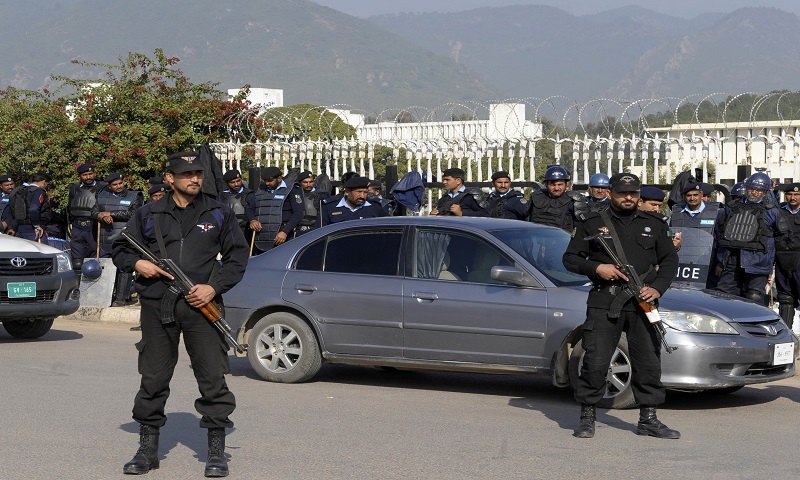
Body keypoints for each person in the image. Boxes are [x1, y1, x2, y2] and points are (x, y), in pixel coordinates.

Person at [112, 151, 248, 477]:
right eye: (187, 174)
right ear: (170, 178)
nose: (195, 179)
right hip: (158, 307)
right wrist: (138, 264)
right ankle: (147, 450)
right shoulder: (149, 213)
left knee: (213, 378)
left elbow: (237, 257)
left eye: (198, 173)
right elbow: (120, 248)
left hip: (203, 307)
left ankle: (215, 452)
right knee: (154, 378)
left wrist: (213, 288)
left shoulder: (218, 212)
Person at [563, 173, 680, 440]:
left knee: (649, 362)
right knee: (595, 361)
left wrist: (658, 287)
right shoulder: (592, 223)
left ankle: (648, 419)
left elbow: (669, 260)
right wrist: (597, 267)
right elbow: (570, 258)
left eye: (633, 193)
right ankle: (587, 416)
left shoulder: (655, 223)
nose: (628, 198)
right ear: (611, 193)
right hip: (605, 301)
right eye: (622, 193)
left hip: (644, 302)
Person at [714, 172, 779, 305]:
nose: (754, 192)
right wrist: (720, 261)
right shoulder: (731, 207)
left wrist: (770, 268)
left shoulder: (772, 212)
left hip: (758, 261)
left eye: (758, 190)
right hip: (731, 259)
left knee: (754, 297)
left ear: (765, 192)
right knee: (723, 297)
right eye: (751, 188)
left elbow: (780, 240)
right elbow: (720, 235)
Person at [93, 173, 143, 306]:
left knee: (124, 267)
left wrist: (111, 214)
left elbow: (134, 214)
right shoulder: (102, 195)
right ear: (109, 186)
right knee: (105, 267)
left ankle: (121, 298)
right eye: (115, 184)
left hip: (126, 237)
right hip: (105, 239)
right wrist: (101, 216)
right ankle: (105, 296)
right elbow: (94, 212)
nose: (119, 186)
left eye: (120, 183)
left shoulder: (134, 196)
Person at [245, 166, 305, 255]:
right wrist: (252, 220)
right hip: (261, 236)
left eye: (270, 180)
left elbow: (298, 213)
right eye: (265, 180)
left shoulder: (292, 190)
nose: (267, 183)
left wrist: (285, 231)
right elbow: (250, 209)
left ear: (279, 178)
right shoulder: (260, 190)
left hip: (283, 235)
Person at [66, 163, 107, 271]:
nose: (88, 177)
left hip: (94, 226)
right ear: (80, 176)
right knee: (77, 261)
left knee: (93, 259)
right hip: (77, 227)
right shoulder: (74, 188)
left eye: (90, 174)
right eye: (85, 174)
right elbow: (70, 206)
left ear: (95, 173)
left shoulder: (102, 188)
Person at [774, 183, 800, 328]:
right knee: (785, 298)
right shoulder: (778, 212)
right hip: (782, 260)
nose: (793, 197)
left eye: (796, 194)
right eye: (790, 194)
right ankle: (786, 336)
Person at [317, 176, 389, 226]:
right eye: (359, 192)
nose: (362, 196)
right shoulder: (329, 207)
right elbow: (320, 233)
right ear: (347, 192)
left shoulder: (375, 207)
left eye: (365, 192)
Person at [527, 165, 582, 232]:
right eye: (553, 185)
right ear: (546, 184)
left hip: (562, 240)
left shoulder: (573, 200)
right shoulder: (535, 197)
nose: (556, 188)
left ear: (565, 184)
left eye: (560, 184)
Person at [5, 172, 52, 241]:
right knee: (41, 250)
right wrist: (36, 225)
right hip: (33, 229)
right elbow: (34, 209)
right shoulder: (38, 192)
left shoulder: (20, 191)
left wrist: (14, 227)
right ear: (43, 182)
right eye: (47, 184)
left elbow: (16, 210)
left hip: (20, 228)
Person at [219, 169, 252, 242]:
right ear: (227, 183)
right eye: (232, 182)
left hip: (245, 230)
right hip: (227, 230)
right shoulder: (221, 196)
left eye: (238, 181)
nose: (236, 184)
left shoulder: (249, 194)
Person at [295, 171, 329, 235]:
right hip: (297, 230)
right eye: (305, 182)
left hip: (314, 230)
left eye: (311, 182)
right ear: (299, 183)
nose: (308, 185)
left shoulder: (322, 195)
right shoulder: (294, 194)